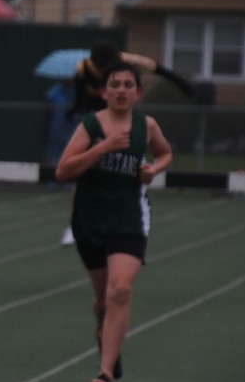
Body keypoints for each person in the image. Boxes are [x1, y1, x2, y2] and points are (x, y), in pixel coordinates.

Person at [55, 61, 173, 382]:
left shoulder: (146, 125)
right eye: (115, 84)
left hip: (128, 219)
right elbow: (63, 170)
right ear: (104, 92)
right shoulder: (91, 125)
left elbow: (165, 153)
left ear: (138, 92)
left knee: (120, 290)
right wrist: (102, 148)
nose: (121, 90)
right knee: (104, 300)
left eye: (128, 85)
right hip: (91, 219)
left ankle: (104, 373)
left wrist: (154, 169)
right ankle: (106, 336)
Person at [58, 40, 193, 246]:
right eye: (106, 74)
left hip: (122, 119)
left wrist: (181, 83)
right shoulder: (82, 70)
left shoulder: (126, 61)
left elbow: (154, 67)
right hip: (96, 121)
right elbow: (80, 99)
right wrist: (75, 112)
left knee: (126, 167)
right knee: (83, 177)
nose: (108, 74)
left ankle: (128, 217)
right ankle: (75, 226)